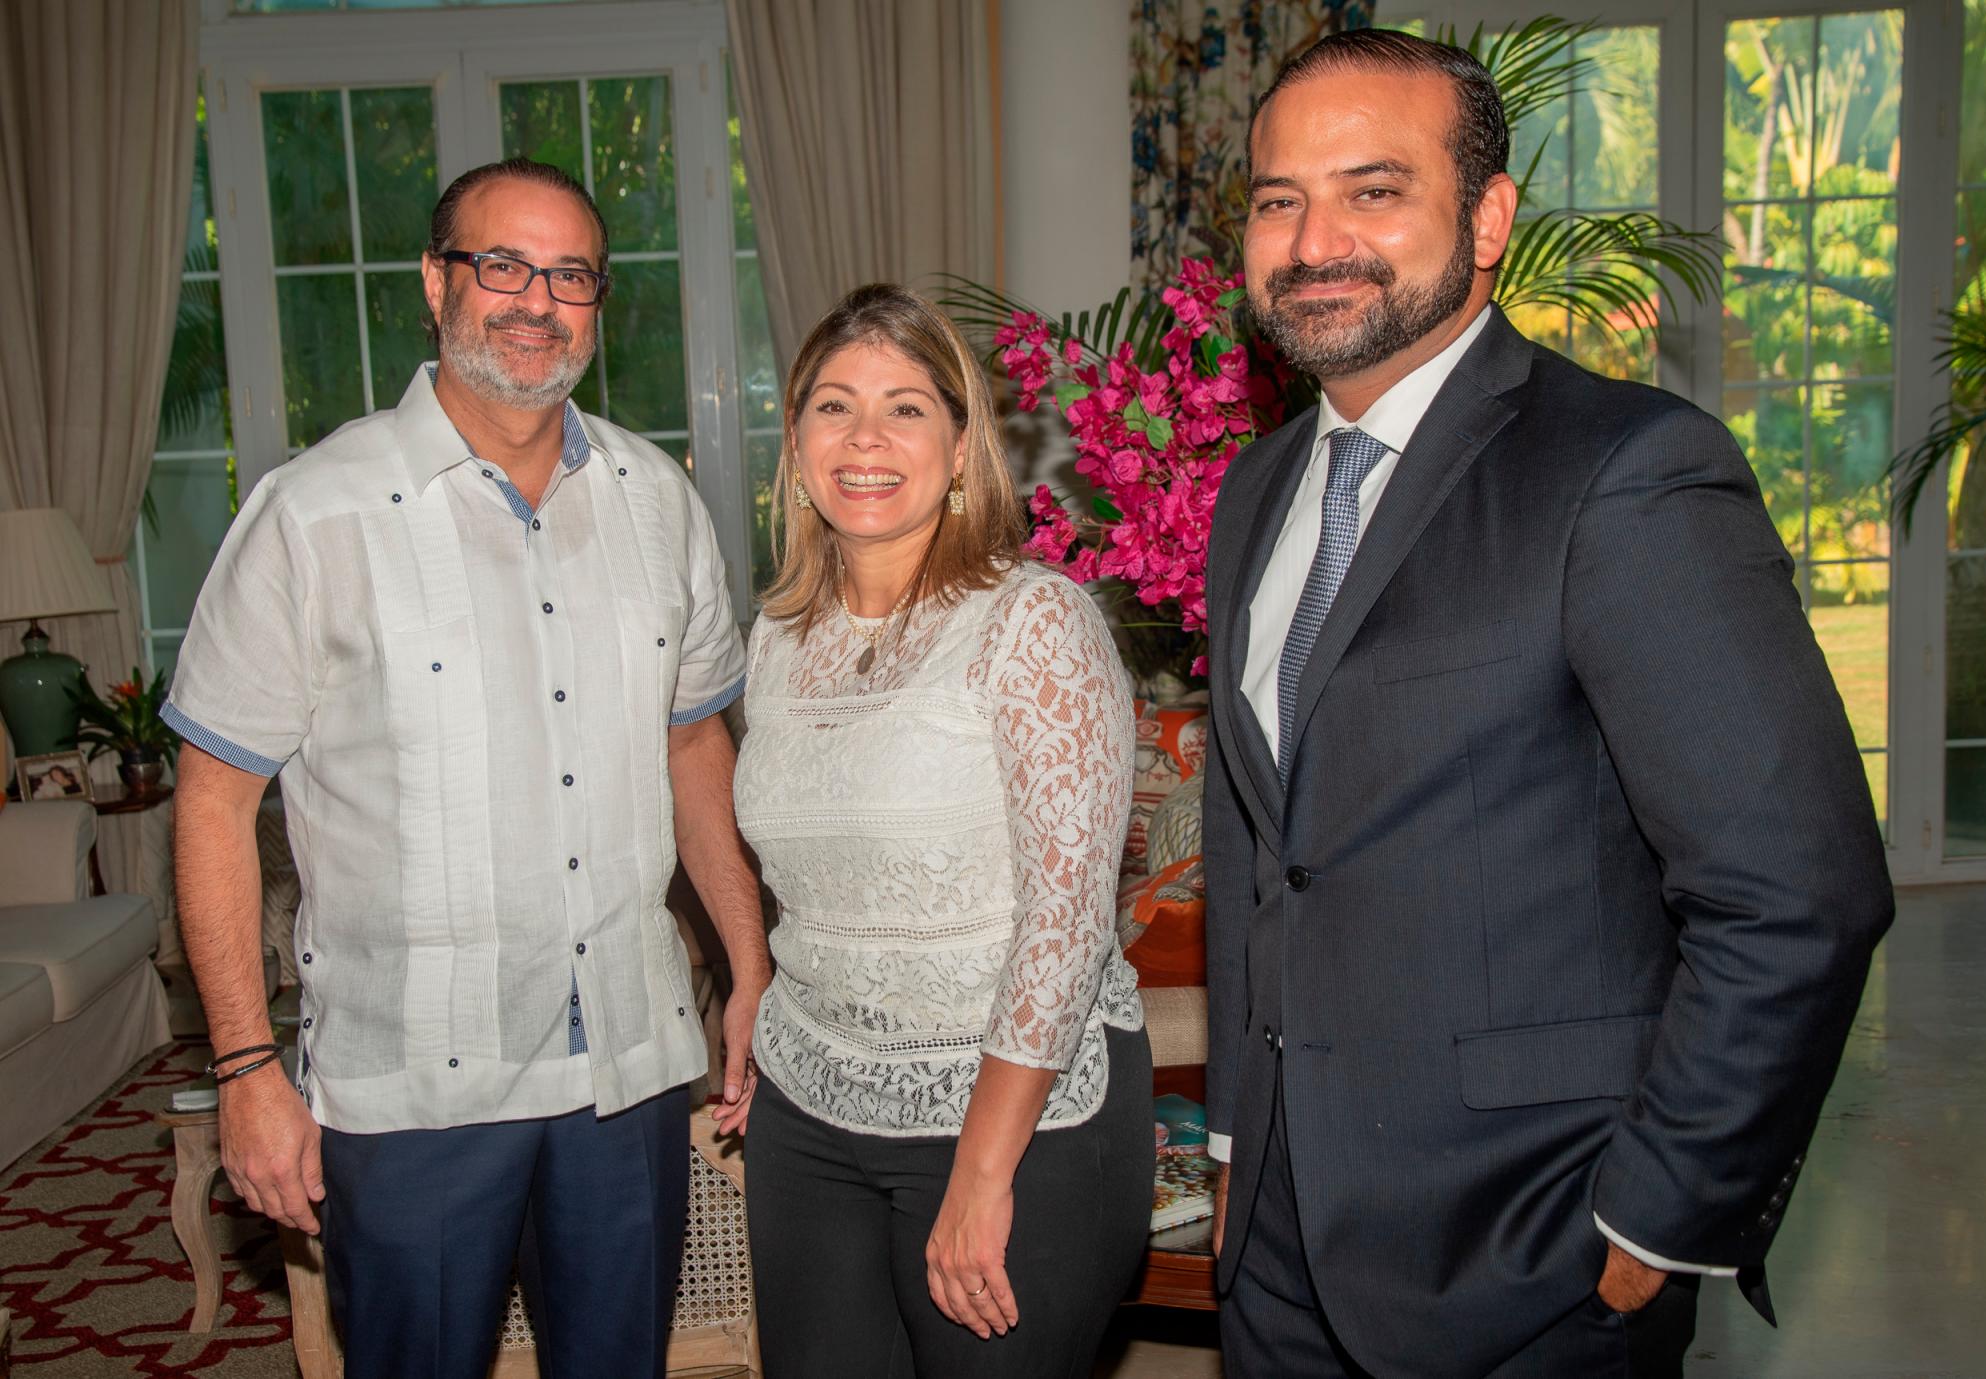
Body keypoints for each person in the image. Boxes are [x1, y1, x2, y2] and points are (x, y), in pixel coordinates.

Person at [1201, 29, 1896, 1379]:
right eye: (1278, 198)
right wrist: (1240, 1139)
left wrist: (1667, 1199)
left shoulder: (1627, 472)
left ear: (1489, 218)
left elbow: (1800, 886)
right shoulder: (1255, 492)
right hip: (1280, 1240)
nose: (1313, 236)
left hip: (1534, 1248)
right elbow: (1259, 848)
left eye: (1373, 189)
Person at [166, 158, 769, 1379]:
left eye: (569, 275)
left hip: (631, 1067)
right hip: (413, 1089)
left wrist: (749, 961)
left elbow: (695, 740)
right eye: (502, 264)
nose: (534, 300)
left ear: (599, 303)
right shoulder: (312, 514)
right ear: (437, 281)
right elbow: (214, 799)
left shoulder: (661, 504)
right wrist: (243, 1067)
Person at [733, 284, 1153, 1379]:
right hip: (810, 1110)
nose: (864, 438)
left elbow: (1063, 922)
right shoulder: (775, 639)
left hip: (1014, 1117)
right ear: (796, 443)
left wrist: (980, 1168)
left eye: (905, 408)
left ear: (962, 448)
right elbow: (802, 884)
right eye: (833, 406)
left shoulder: (1032, 620)